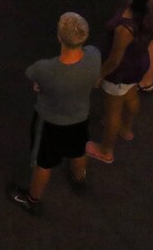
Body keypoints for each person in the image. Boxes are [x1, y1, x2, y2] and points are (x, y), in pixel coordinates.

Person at [8, 12, 100, 216]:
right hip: (80, 117)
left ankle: (33, 199)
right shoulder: (94, 55)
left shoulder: (45, 68)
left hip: (49, 123)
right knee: (78, 150)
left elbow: (30, 74)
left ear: (60, 37)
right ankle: (79, 179)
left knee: (44, 162)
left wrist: (39, 85)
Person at [85, 0, 153, 165]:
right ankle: (126, 129)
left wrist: (100, 75)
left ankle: (105, 150)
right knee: (131, 94)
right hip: (139, 64)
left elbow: (115, 59)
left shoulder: (124, 28)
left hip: (121, 71)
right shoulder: (150, 10)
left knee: (112, 111)